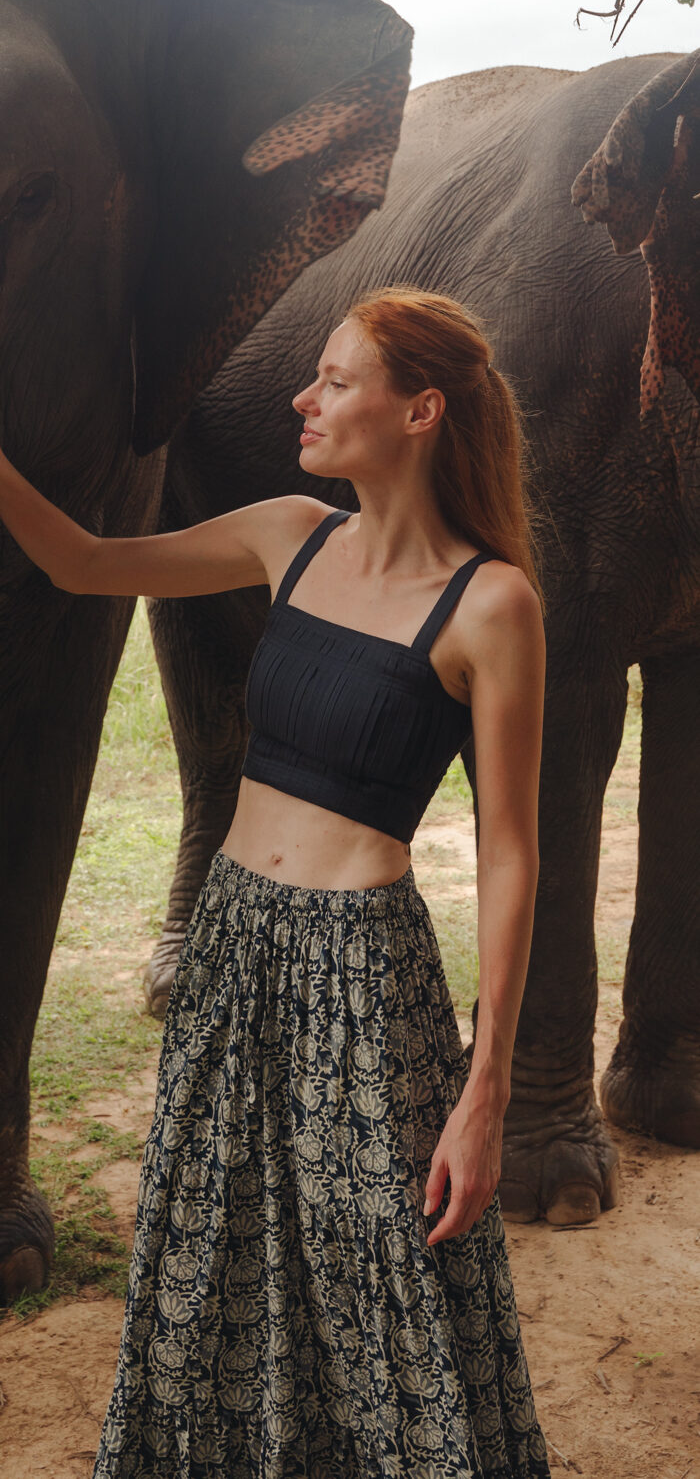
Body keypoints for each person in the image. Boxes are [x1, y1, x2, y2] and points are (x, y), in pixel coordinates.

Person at [0, 284, 551, 1479]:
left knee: (378, 1269)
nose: (304, 399)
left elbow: (509, 848)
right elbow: (87, 562)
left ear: (421, 411)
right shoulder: (287, 533)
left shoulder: (491, 603)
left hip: (364, 973)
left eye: (336, 381)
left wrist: (487, 1085)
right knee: (214, 1243)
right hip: (231, 941)